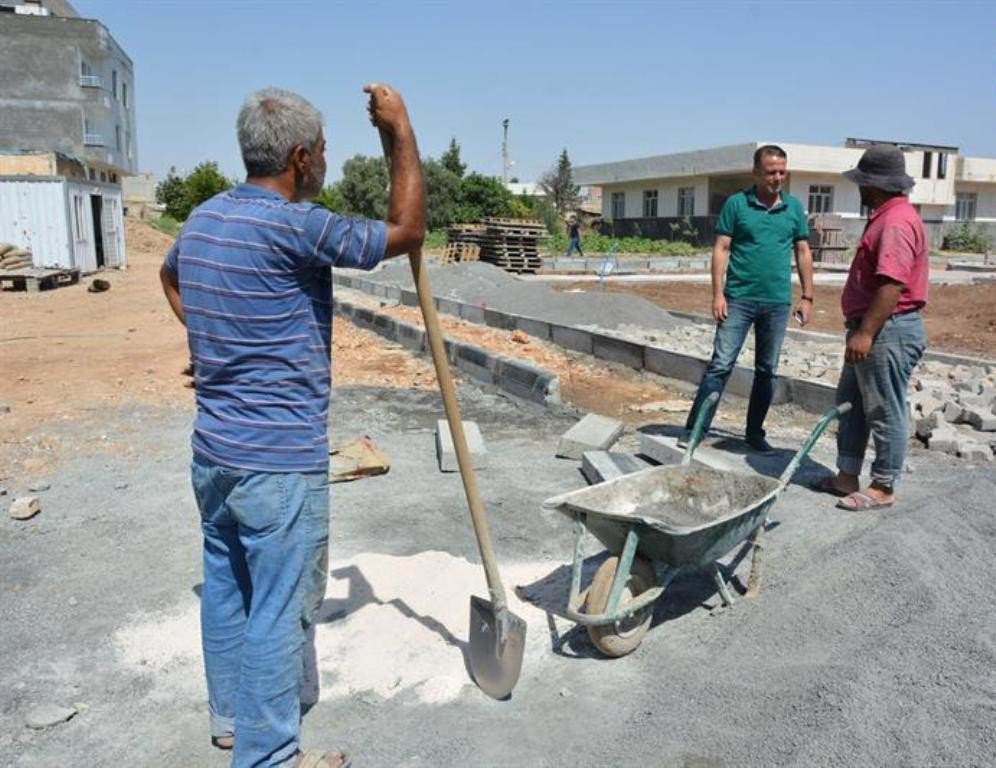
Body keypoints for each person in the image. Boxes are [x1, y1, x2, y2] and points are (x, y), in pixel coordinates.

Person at [159, 84, 424, 768]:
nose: (328, 164)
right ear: (301, 158)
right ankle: (270, 755)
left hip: (214, 455)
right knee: (278, 605)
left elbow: (171, 278)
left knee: (226, 585)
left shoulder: (203, 218)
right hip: (278, 461)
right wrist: (401, 134)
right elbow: (407, 231)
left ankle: (233, 722)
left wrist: (213, 342)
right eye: (326, 152)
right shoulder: (296, 226)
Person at [812, 144, 927, 511]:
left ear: (874, 184)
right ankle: (846, 475)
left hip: (885, 331)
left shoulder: (895, 222)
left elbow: (891, 285)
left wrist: (865, 333)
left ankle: (883, 485)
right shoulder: (885, 216)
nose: (859, 189)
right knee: (851, 404)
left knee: (883, 408)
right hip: (873, 329)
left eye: (862, 182)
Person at [684, 145, 814, 452]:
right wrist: (717, 294)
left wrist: (807, 296)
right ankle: (696, 430)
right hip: (739, 299)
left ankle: (755, 433)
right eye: (770, 172)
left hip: (777, 303)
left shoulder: (794, 208)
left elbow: (803, 251)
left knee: (767, 371)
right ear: (756, 173)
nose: (777, 177)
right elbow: (721, 249)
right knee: (720, 365)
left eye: (782, 171)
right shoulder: (737, 204)